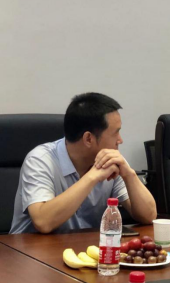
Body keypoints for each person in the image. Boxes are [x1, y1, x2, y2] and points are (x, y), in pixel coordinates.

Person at [10, 93, 157, 234]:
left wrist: (129, 175)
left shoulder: (111, 160)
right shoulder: (40, 160)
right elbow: (43, 222)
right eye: (115, 133)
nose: (120, 140)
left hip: (85, 247)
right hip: (28, 249)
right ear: (88, 139)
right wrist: (92, 177)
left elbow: (149, 216)